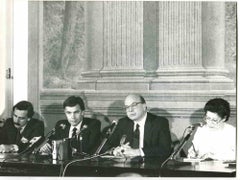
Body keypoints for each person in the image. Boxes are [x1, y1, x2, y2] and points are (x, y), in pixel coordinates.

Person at [103, 94, 172, 158]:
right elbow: (105, 145)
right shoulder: (123, 123)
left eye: (134, 105)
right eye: (127, 107)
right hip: (125, 165)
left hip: (149, 166)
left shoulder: (159, 122)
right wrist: (115, 150)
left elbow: (165, 149)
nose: (130, 110)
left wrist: (138, 152)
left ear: (144, 106)